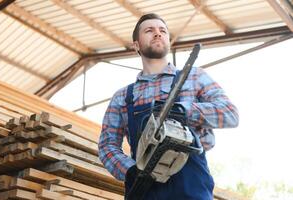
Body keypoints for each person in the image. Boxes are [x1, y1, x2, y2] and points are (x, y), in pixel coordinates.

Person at [98, 13, 239, 200]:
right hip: (145, 191)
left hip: (192, 188)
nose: (157, 34)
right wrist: (131, 171)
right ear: (136, 45)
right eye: (149, 30)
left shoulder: (193, 77)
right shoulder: (123, 97)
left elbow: (230, 113)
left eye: (162, 30)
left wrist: (185, 111)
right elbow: (107, 145)